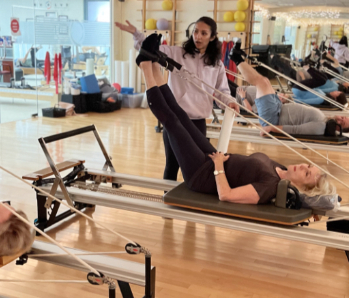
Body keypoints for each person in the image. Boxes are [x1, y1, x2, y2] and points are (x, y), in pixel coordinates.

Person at [137, 59, 335, 205]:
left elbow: (226, 195)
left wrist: (218, 166)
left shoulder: (271, 186)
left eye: (306, 173)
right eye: (308, 165)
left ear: (301, 187)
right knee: (181, 115)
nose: (302, 166)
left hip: (202, 175)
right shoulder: (280, 169)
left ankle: (145, 66)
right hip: (214, 160)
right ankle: (154, 66)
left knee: (172, 123)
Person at [115, 17, 238, 182]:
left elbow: (221, 91)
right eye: (195, 31)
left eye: (203, 33)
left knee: (200, 166)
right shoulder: (178, 53)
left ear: (212, 37)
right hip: (175, 119)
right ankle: (166, 200)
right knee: (172, 166)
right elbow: (148, 49)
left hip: (198, 122)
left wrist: (230, 101)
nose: (198, 36)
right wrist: (136, 33)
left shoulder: (216, 64)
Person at [229, 43, 349, 136]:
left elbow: (295, 129)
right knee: (265, 80)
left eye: (342, 122)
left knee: (261, 83)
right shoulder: (323, 119)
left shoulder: (320, 127)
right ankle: (237, 56)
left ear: (338, 129)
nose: (340, 118)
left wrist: (271, 128)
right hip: (278, 107)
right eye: (343, 117)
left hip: (273, 118)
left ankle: (236, 57)